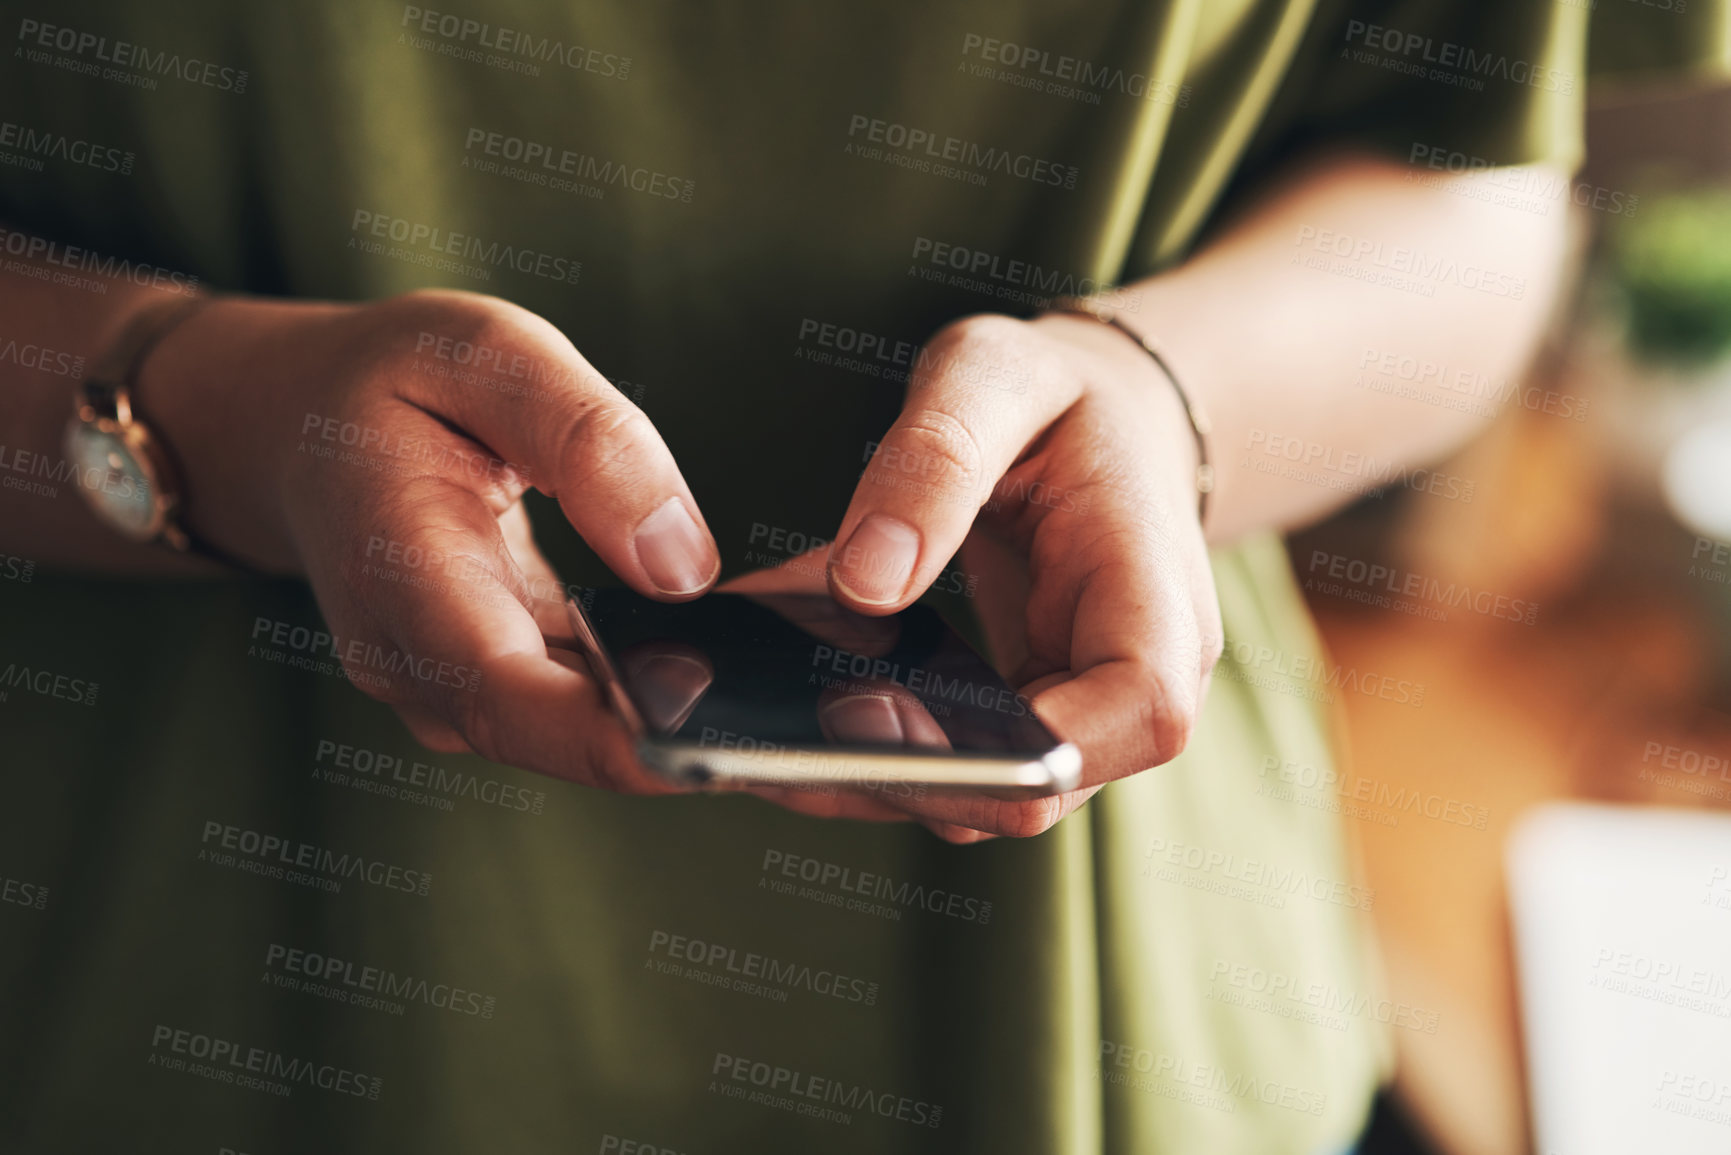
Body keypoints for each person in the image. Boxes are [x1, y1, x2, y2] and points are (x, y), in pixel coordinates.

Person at [0, 2, 1718, 1152]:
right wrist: (204, 415)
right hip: (168, 991)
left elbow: (1479, 178)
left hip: (1119, 1030)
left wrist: (1170, 400)